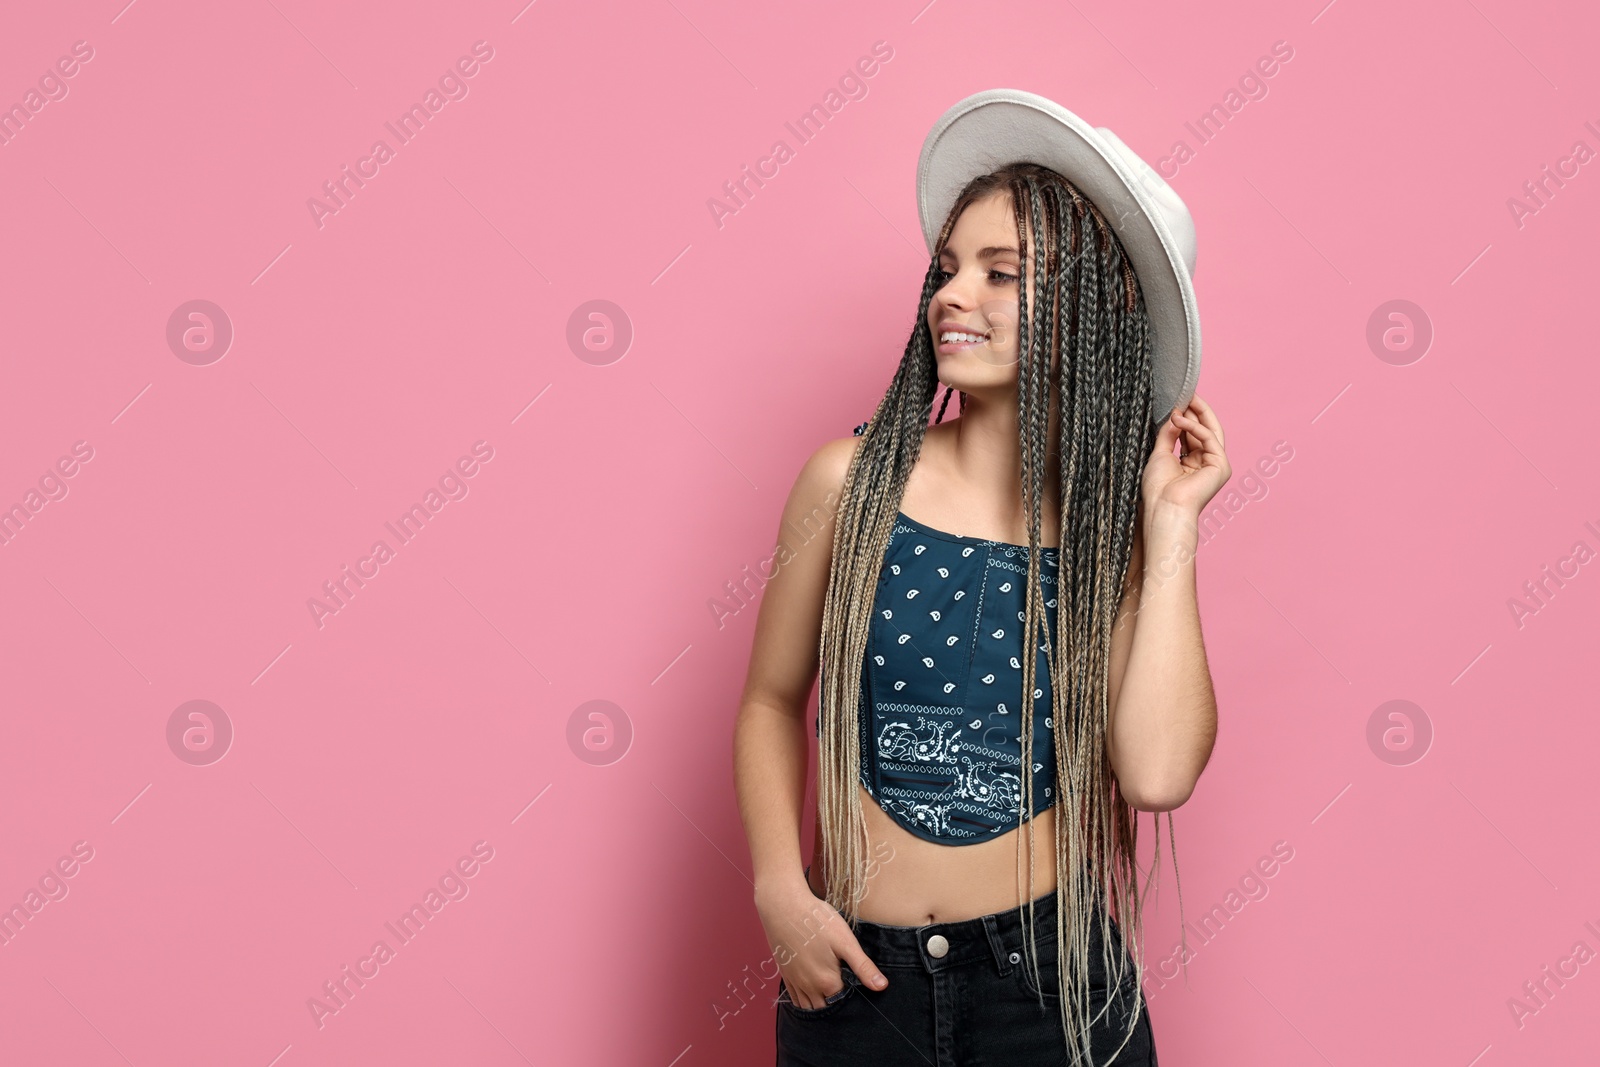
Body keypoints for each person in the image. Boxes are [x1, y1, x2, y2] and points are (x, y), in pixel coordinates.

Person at [733, 89, 1226, 1066]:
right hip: (855, 982)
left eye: (1001, 274)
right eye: (948, 269)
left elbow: (1158, 773)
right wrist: (778, 889)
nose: (953, 295)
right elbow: (768, 699)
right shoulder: (848, 482)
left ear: (1097, 304)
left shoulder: (1109, 536)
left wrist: (1169, 522)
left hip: (1050, 990)